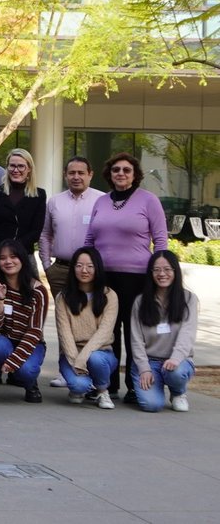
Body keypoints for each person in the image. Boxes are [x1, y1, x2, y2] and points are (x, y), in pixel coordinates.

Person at [85, 152, 168, 402]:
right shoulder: (101, 202)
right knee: (107, 332)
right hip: (104, 278)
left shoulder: (148, 200)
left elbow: (161, 240)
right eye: (116, 170)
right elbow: (90, 240)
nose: (121, 173)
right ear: (109, 174)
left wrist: (161, 273)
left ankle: (134, 387)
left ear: (135, 174)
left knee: (134, 333)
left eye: (126, 170)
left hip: (137, 278)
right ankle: (107, 386)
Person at [0, 239, 50, 404]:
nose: (8, 262)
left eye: (13, 257)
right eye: (3, 258)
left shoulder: (38, 290)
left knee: (26, 371)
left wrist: (14, 361)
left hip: (28, 342)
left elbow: (35, 331)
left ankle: (30, 384)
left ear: (22, 259)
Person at [130, 250, 196, 413]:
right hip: (150, 361)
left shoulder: (188, 299)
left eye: (167, 269)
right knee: (152, 405)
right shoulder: (141, 301)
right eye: (156, 270)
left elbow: (187, 333)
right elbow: (136, 339)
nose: (162, 274)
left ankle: (178, 393)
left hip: (177, 360)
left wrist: (175, 358)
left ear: (175, 271)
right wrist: (144, 368)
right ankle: (153, 384)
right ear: (151, 273)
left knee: (176, 372)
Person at [55, 247, 119, 409]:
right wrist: (75, 360)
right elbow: (65, 334)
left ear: (97, 268)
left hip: (101, 354)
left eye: (90, 266)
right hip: (72, 355)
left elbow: (104, 333)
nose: (84, 270)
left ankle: (102, 390)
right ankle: (81, 386)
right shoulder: (63, 297)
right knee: (79, 387)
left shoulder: (109, 295)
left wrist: (84, 358)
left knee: (95, 359)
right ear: (73, 268)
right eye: (79, 266)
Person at [41, 157, 105, 294]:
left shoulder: (103, 200)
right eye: (72, 173)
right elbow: (46, 235)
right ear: (65, 175)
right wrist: (47, 266)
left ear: (90, 175)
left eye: (81, 173)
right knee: (62, 313)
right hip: (60, 271)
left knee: (89, 313)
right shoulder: (54, 201)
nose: (76, 177)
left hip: (91, 271)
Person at [0, 148, 47, 257]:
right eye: (12, 166)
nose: (16, 170)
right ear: (7, 167)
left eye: (21, 166)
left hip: (23, 254)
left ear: (29, 168)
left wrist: (13, 250)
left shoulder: (39, 195)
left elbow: (36, 230)